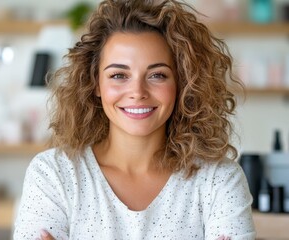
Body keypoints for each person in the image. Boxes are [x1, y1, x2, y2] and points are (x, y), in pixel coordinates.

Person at [14, 0, 256, 239]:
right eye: (119, 75)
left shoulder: (219, 180)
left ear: (182, 83)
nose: (138, 92)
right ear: (96, 83)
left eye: (157, 75)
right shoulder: (54, 174)